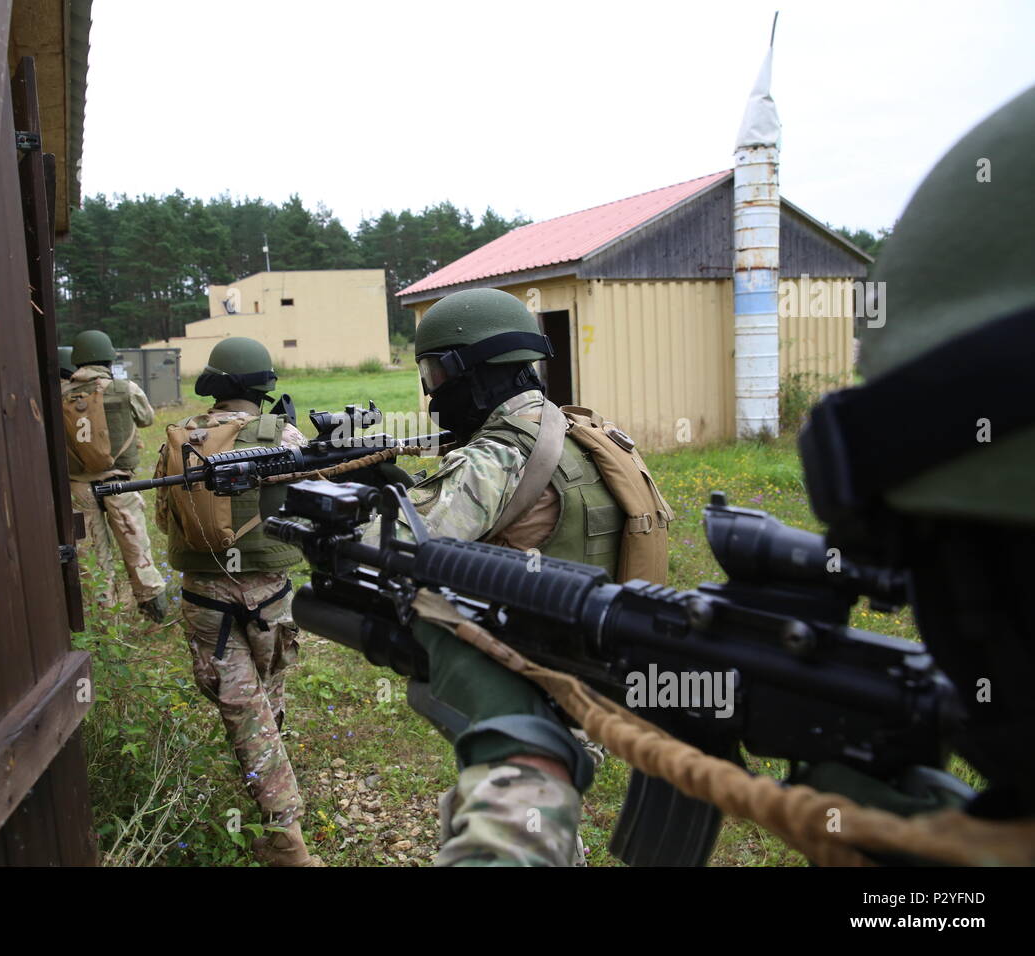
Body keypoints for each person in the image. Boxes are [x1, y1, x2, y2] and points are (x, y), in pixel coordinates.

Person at [423, 82, 1035, 865]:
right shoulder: (586, 429)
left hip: (548, 656)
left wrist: (517, 763)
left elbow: (421, 539)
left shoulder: (498, 453)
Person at [372, 287, 670, 865]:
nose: (432, 392)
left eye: (434, 372)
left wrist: (372, 500)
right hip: (597, 658)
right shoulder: (586, 432)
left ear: (472, 374)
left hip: (530, 677)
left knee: (514, 830)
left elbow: (390, 547)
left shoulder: (499, 454)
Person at [158, 337, 322, 866]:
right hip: (270, 594)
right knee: (262, 698)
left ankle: (277, 822)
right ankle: (286, 838)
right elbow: (318, 506)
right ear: (263, 385)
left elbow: (165, 519)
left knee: (241, 706)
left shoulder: (182, 440)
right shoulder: (285, 434)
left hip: (204, 598)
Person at [65, 330, 168, 622]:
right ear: (109, 358)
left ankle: (104, 619)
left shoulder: (63, 396)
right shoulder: (124, 388)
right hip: (119, 483)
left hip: (79, 488)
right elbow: (146, 419)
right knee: (137, 547)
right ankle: (153, 609)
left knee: (92, 556)